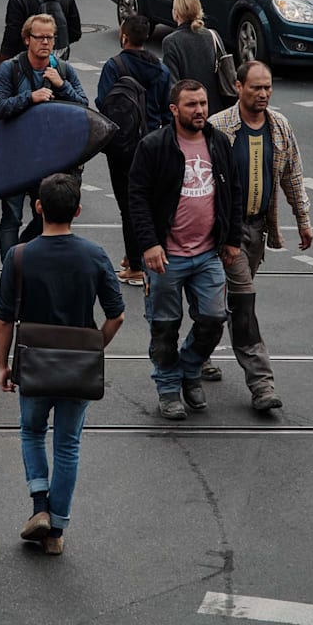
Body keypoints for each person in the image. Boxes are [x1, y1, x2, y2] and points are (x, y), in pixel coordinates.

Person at [0, 173, 124, 556]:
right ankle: (56, 532)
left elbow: (4, 319)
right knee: (67, 445)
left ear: (38, 207)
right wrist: (92, 348)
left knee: (32, 432)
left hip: (34, 363)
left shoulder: (19, 256)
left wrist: (3, 365)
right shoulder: (95, 255)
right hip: (76, 369)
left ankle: (39, 506)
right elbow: (116, 315)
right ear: (78, 211)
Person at [125, 79, 242, 420]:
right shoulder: (154, 146)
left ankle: (189, 368)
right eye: (192, 105)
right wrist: (148, 244)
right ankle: (167, 388)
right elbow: (137, 199)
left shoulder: (219, 143)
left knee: (213, 318)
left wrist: (232, 238)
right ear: (174, 109)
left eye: (203, 104)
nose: (200, 111)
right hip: (166, 256)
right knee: (165, 326)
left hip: (207, 254)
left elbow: (232, 191)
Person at [206, 60, 312, 410]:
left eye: (267, 87)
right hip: (221, 234)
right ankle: (262, 386)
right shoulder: (218, 127)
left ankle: (196, 353)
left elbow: (292, 175)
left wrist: (303, 219)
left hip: (255, 230)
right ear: (238, 87)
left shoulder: (279, 126)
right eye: (256, 87)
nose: (263, 93)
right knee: (244, 305)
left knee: (221, 307)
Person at [0, 13, 88, 261]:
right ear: (26, 39)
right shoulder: (10, 69)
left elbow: (84, 110)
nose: (45, 42)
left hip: (50, 160)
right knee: (11, 216)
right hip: (15, 157)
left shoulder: (63, 69)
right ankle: (9, 271)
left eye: (50, 37)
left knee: (46, 216)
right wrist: (29, 98)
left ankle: (22, 254)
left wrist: (62, 86)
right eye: (40, 37)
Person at [95, 13, 172, 285]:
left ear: (124, 36)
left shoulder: (114, 67)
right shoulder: (161, 69)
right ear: (147, 37)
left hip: (124, 147)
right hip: (153, 144)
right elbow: (167, 110)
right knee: (150, 201)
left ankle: (137, 266)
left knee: (129, 205)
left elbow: (102, 103)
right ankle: (143, 253)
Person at [161, 0, 229, 116]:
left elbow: (173, 85)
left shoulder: (171, 42)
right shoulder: (213, 36)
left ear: (176, 13)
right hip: (217, 110)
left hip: (190, 112)